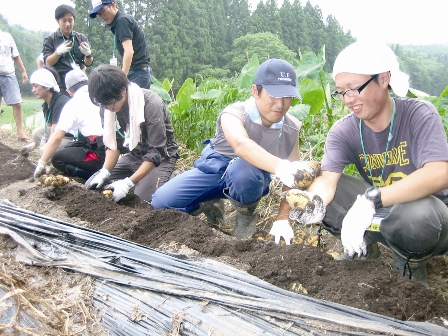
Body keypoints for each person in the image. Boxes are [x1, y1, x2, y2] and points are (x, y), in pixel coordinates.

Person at [295, 40, 448, 287]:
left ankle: (411, 262)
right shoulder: (343, 131)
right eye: (341, 92)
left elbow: (439, 173)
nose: (347, 99)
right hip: (382, 213)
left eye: (354, 88)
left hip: (432, 219)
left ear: (384, 79)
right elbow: (328, 180)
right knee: (321, 191)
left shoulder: (419, 114)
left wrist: (372, 199)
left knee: (415, 215)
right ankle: (363, 249)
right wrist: (314, 203)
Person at [151, 58, 320, 241]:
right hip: (215, 171)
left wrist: (282, 218)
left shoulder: (291, 128)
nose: (280, 104)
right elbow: (241, 145)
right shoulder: (235, 113)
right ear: (256, 91)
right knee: (160, 203)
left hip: (247, 180)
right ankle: (207, 203)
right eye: (273, 95)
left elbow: (293, 180)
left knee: (245, 170)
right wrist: (282, 167)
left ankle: (245, 215)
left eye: (287, 97)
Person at [84, 65, 178, 202]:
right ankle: (140, 181)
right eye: (104, 106)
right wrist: (104, 172)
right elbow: (113, 144)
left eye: (110, 104)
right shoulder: (107, 108)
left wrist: (127, 183)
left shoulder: (151, 104)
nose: (108, 109)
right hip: (135, 154)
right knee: (92, 187)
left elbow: (156, 153)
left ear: (123, 91)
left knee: (144, 200)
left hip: (161, 157)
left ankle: (172, 179)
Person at [34, 69, 104, 180]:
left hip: (97, 152)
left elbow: (57, 137)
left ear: (69, 91)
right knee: (69, 147)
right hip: (111, 148)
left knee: (57, 158)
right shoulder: (101, 95)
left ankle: (91, 176)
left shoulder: (73, 104)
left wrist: (42, 162)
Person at [89, 0, 151, 89]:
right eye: (99, 14)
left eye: (103, 10)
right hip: (139, 73)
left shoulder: (122, 21)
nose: (102, 16)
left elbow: (129, 51)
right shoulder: (120, 21)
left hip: (137, 73)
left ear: (113, 5)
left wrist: (122, 78)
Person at [43, 4, 94, 95]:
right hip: (60, 82)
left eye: (70, 20)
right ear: (57, 21)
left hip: (79, 80)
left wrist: (88, 54)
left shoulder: (81, 38)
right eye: (64, 21)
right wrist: (58, 52)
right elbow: (48, 63)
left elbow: (88, 63)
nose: (67, 24)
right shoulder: (50, 39)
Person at [23, 66, 71, 155]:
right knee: (36, 133)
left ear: (47, 86)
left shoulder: (61, 102)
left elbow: (54, 133)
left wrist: (46, 148)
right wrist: (34, 144)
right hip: (60, 135)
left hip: (71, 138)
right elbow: (49, 128)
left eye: (36, 86)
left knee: (44, 150)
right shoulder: (46, 104)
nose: (33, 90)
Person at [0, 29, 31, 142]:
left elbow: (16, 55)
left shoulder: (7, 36)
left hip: (9, 74)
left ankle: (20, 132)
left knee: (17, 103)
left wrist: (23, 71)